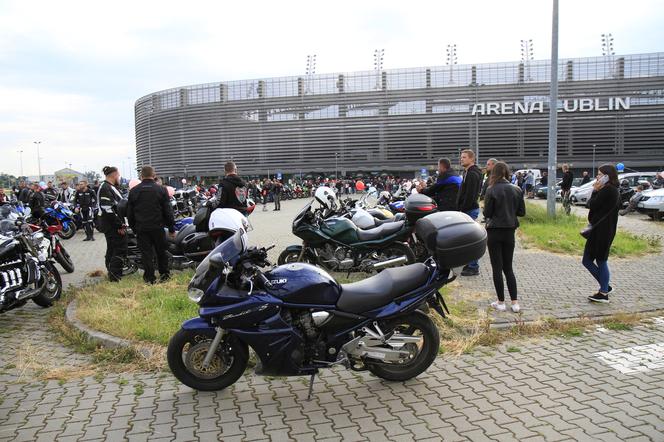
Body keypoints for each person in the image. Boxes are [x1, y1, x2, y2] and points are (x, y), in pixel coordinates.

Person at [483, 162, 526, 313]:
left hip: (494, 231)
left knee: (497, 268)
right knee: (508, 267)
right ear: (507, 172)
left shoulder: (491, 189)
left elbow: (487, 213)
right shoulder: (517, 189)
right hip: (510, 232)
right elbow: (521, 212)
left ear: (493, 173)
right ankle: (515, 303)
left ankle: (501, 302)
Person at [127, 166, 175, 284]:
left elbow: (130, 213)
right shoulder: (161, 190)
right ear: (154, 175)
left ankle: (149, 278)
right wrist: (171, 228)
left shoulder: (133, 191)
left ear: (141, 176)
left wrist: (134, 228)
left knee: (146, 254)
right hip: (158, 227)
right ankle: (164, 275)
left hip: (142, 228)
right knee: (161, 252)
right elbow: (168, 211)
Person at [583, 164, 620, 303]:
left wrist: (595, 191)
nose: (597, 177)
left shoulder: (608, 190)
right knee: (595, 260)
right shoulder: (613, 190)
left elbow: (591, 205)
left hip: (601, 231)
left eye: (599, 174)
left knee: (596, 260)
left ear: (607, 176)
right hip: (603, 230)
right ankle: (605, 287)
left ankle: (604, 292)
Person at [98, 166, 127, 282]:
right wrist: (119, 225)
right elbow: (108, 209)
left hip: (111, 224)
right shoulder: (105, 187)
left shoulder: (110, 187)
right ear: (114, 175)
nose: (119, 177)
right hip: (111, 225)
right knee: (119, 249)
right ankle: (115, 277)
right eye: (118, 175)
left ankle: (111, 272)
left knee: (112, 249)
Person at [457, 149, 483, 276]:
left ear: (472, 159)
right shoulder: (468, 172)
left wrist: (462, 209)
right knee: (468, 239)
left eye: (464, 157)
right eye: (461, 157)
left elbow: (470, 195)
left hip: (469, 210)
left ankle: (473, 266)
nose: (461, 159)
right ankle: (470, 263)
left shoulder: (472, 174)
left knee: (470, 239)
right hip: (468, 209)